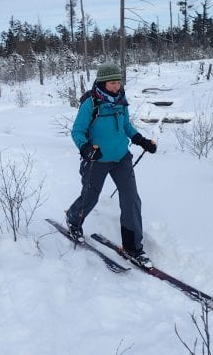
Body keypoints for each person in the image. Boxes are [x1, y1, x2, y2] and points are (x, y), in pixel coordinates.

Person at [65, 63, 157, 266]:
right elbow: (77, 131)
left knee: (131, 199)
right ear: (102, 82)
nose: (116, 86)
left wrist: (140, 140)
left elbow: (126, 126)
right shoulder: (91, 103)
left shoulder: (121, 101)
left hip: (121, 158)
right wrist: (86, 148)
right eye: (112, 83)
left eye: (118, 82)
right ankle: (73, 219)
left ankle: (133, 248)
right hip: (97, 160)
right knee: (90, 196)